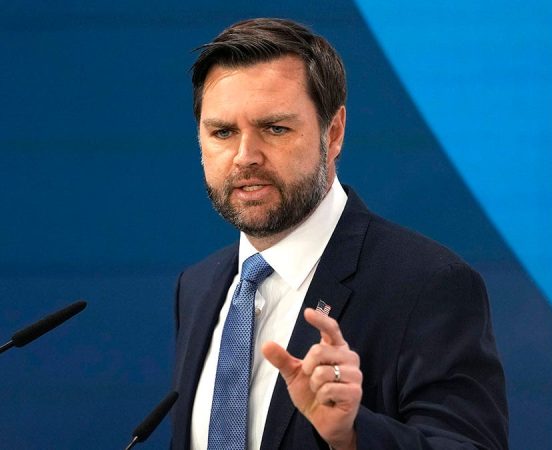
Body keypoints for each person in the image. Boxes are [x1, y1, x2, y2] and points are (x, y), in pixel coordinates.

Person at [171, 18, 508, 450]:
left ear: (333, 134)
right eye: (223, 132)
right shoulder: (197, 287)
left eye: (275, 128)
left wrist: (351, 435)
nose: (245, 156)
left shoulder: (427, 284)